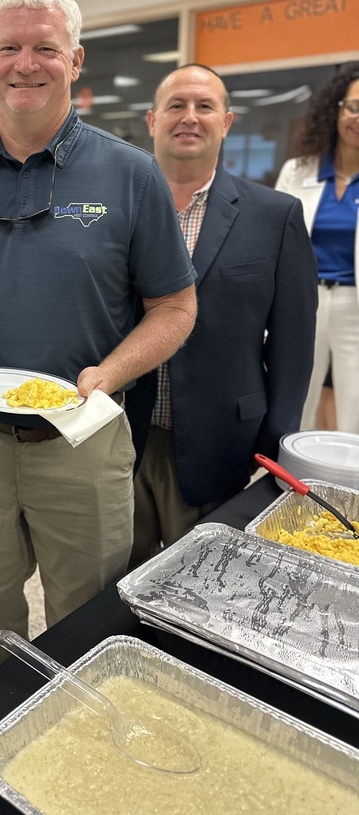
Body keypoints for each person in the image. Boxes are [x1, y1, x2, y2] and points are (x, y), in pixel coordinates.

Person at [0, 0, 197, 676]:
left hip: (81, 444)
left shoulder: (130, 175)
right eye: (10, 47)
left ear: (76, 60)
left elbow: (176, 308)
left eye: (44, 48)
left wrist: (109, 375)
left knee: (85, 617)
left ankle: (79, 749)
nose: (25, 64)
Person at [125, 65, 318, 568]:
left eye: (204, 106)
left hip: (222, 445)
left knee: (207, 589)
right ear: (152, 120)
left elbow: (294, 345)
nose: (190, 117)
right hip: (120, 439)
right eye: (176, 106)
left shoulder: (275, 216)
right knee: (112, 589)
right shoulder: (118, 210)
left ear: (226, 121)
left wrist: (277, 450)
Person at [275, 63, 359, 433]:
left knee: (354, 410)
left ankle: (348, 490)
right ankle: (288, 485)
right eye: (354, 106)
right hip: (304, 303)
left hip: (355, 307)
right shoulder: (299, 169)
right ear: (337, 110)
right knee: (295, 399)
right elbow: (274, 241)